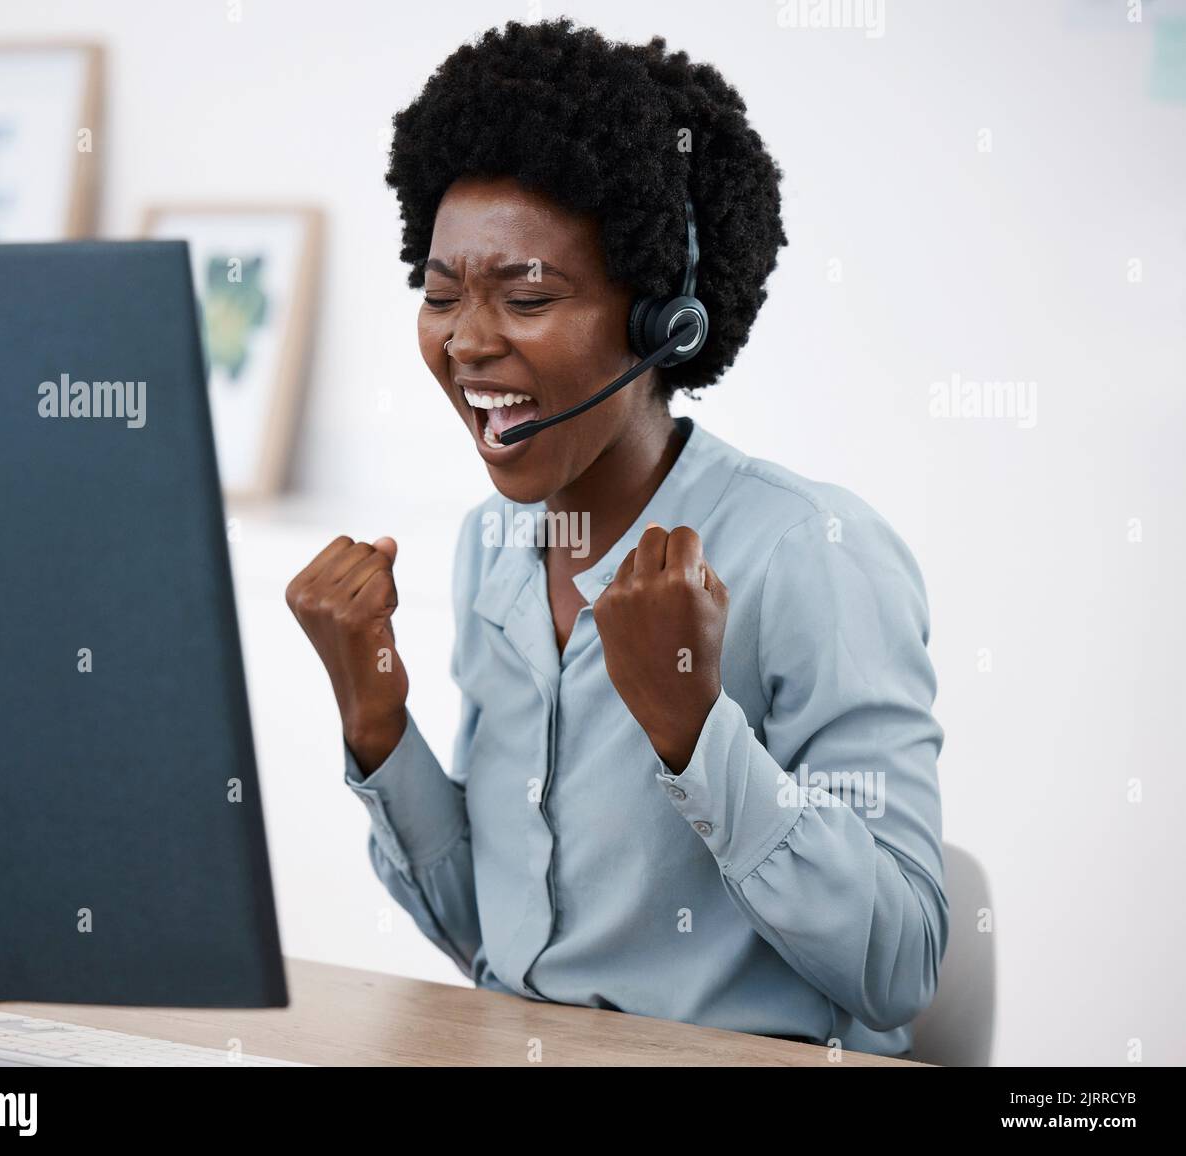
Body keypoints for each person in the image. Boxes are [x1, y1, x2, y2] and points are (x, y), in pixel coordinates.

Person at [287, 18, 948, 1059]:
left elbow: (900, 963)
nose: (465, 341)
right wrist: (377, 721)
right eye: (441, 292)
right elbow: (507, 951)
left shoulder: (812, 553)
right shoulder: (492, 550)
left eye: (528, 296)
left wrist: (694, 730)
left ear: (662, 322)